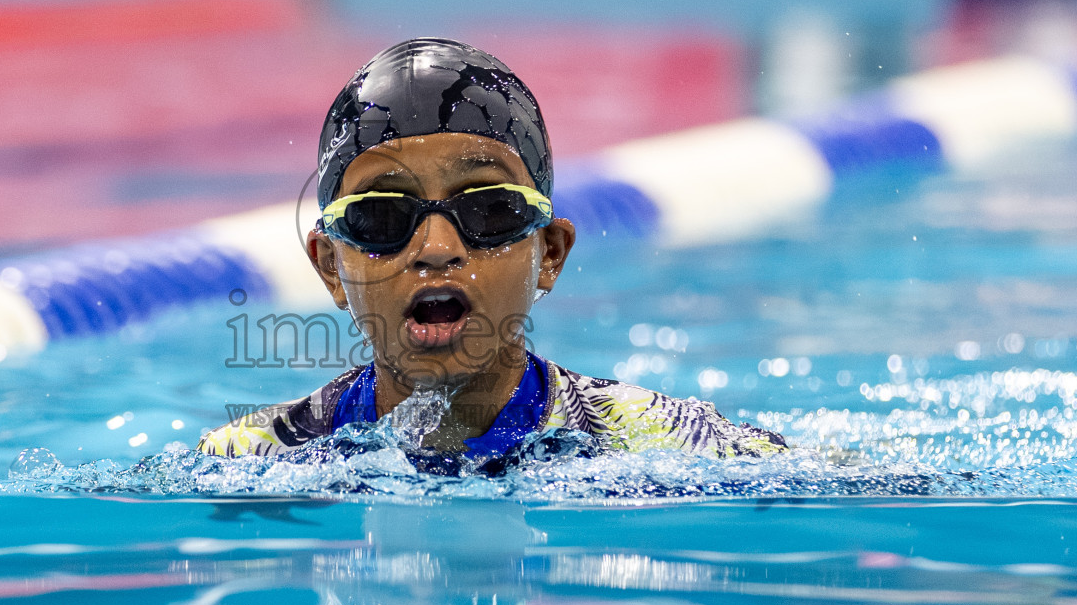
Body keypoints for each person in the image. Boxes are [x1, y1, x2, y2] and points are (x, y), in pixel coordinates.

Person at [199, 38, 785, 463]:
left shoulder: (673, 442)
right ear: (331, 265)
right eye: (382, 216)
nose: (436, 248)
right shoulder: (251, 457)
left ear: (549, 252)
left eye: (487, 210)